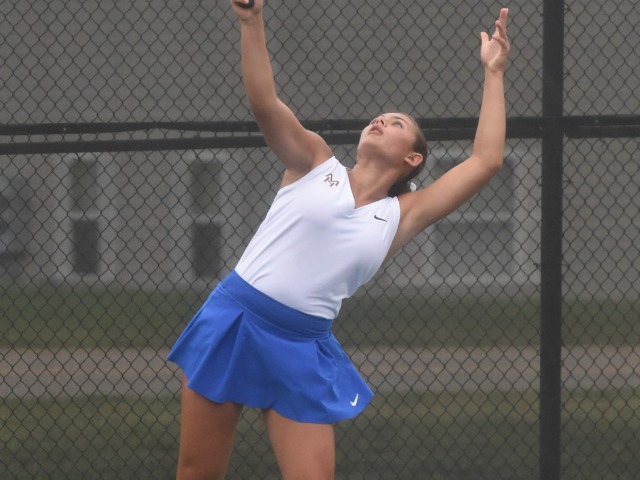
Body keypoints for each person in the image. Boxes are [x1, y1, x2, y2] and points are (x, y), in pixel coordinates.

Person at [167, 1, 510, 478]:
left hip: (301, 346)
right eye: (379, 117)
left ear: (412, 160)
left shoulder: (402, 215)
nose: (380, 121)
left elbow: (486, 161)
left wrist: (493, 72)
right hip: (236, 319)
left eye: (396, 123)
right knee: (198, 473)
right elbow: (265, 103)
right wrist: (251, 21)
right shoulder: (314, 161)